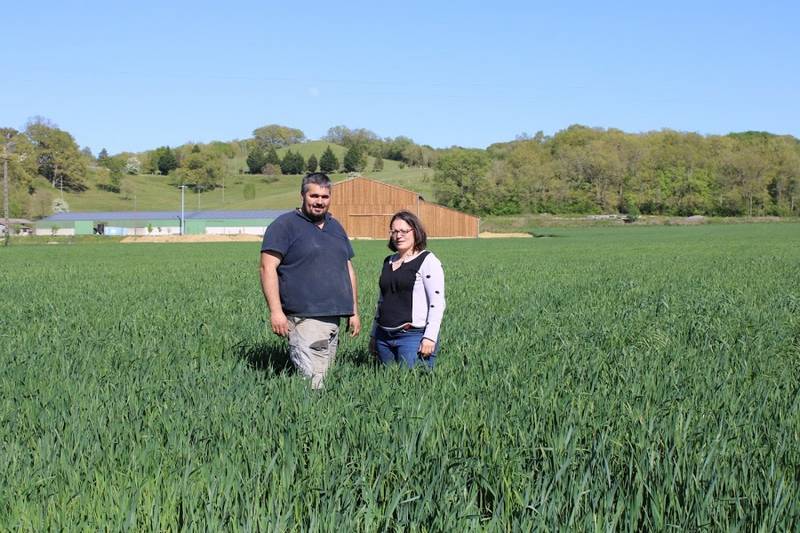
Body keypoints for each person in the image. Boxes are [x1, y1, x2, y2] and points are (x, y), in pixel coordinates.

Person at [260, 172, 360, 389]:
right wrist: (276, 311)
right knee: (314, 384)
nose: (319, 202)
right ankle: (309, 420)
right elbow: (267, 267)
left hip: (334, 318)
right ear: (302, 195)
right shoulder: (284, 225)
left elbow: (348, 268)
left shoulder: (336, 227)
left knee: (325, 379)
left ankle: (324, 420)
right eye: (314, 196)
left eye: (325, 197)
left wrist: (353, 310)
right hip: (305, 319)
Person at [369, 211, 445, 369]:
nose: (398, 235)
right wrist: (374, 335)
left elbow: (437, 302)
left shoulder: (428, 260)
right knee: (386, 386)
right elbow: (382, 301)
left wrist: (430, 338)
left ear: (416, 232)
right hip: (384, 337)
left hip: (412, 336)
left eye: (404, 231)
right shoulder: (388, 261)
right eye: (394, 231)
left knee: (413, 386)